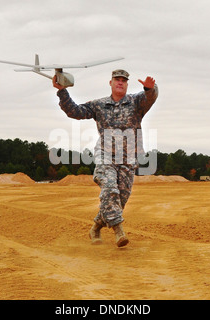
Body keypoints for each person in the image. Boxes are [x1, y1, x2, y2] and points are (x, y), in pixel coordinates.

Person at [53, 69, 158, 247]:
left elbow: (151, 97)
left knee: (118, 201)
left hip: (128, 160)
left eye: (124, 80)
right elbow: (75, 111)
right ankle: (119, 232)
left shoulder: (136, 102)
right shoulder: (99, 105)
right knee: (110, 188)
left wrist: (150, 89)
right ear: (110, 83)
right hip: (105, 155)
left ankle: (95, 227)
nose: (120, 82)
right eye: (117, 79)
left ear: (127, 84)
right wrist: (62, 91)